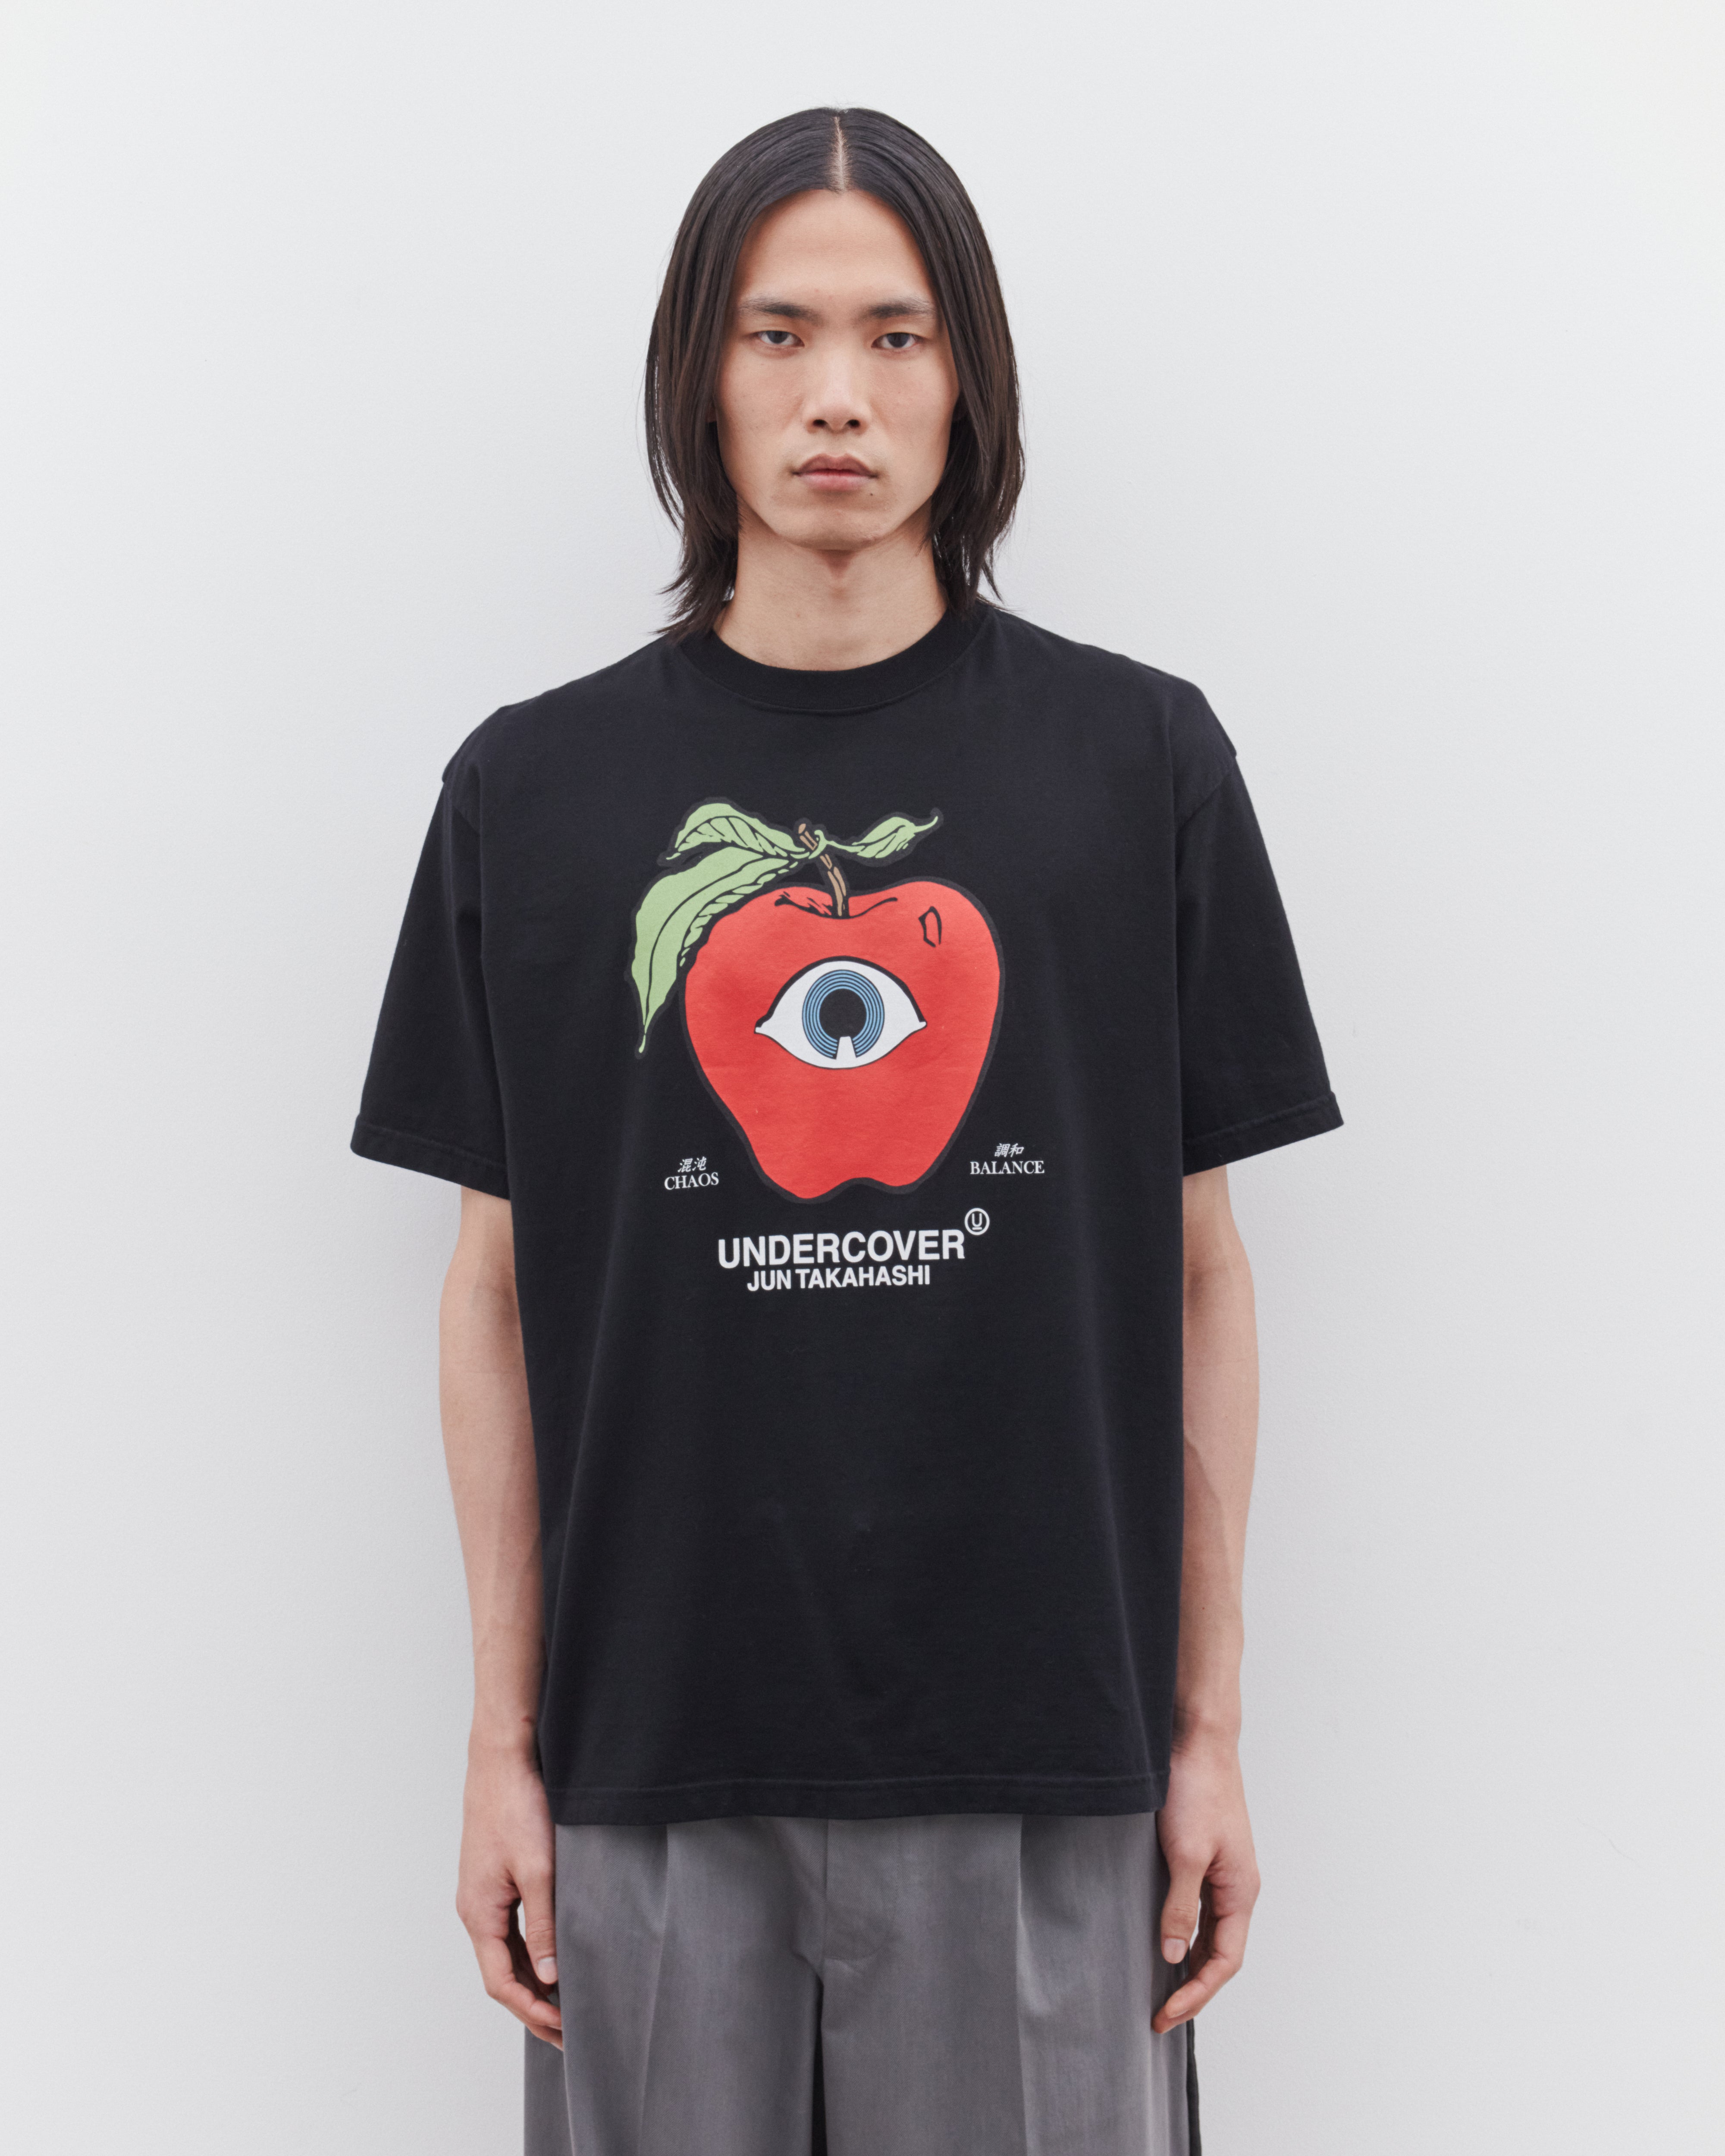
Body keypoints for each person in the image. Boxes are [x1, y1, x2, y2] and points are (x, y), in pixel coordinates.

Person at [353, 105, 1340, 2156]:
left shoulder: (1137, 761)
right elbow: (491, 1299)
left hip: (1044, 1753)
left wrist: (1209, 1725)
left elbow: (1201, 1276)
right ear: (698, 377)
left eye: (897, 335)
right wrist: (499, 1741)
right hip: (645, 1762)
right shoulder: (529, 795)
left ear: (967, 379)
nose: (835, 396)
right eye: (776, 331)